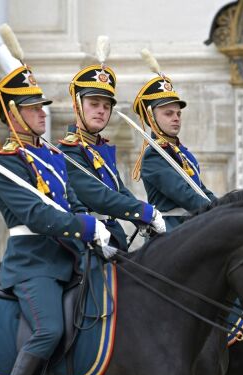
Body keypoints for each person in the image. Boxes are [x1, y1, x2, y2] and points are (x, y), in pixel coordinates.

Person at [0, 61, 110, 375]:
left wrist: (93, 228)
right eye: (33, 108)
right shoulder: (5, 166)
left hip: (71, 256)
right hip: (33, 263)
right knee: (48, 330)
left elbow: (71, 202)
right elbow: (37, 216)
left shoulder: (51, 156)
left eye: (41, 106)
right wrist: (84, 226)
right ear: (13, 116)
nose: (42, 113)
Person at [58, 42, 165, 249]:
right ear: (77, 105)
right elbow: (99, 196)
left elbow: (119, 190)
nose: (101, 110)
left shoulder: (100, 149)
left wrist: (146, 217)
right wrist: (142, 212)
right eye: (94, 104)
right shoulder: (68, 152)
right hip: (86, 242)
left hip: (113, 235)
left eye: (106, 106)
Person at [131, 50, 217, 231]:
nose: (176, 118)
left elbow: (200, 190)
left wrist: (225, 206)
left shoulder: (181, 152)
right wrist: (216, 213)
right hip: (171, 232)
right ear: (151, 117)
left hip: (190, 226)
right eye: (168, 113)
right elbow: (184, 195)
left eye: (178, 113)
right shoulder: (154, 155)